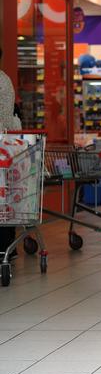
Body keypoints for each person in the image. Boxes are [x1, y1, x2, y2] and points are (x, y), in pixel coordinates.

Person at [0, 46, 22, 260]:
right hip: (4, 149)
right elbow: (9, 122)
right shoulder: (4, 80)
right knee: (4, 197)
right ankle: (7, 245)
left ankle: (5, 244)